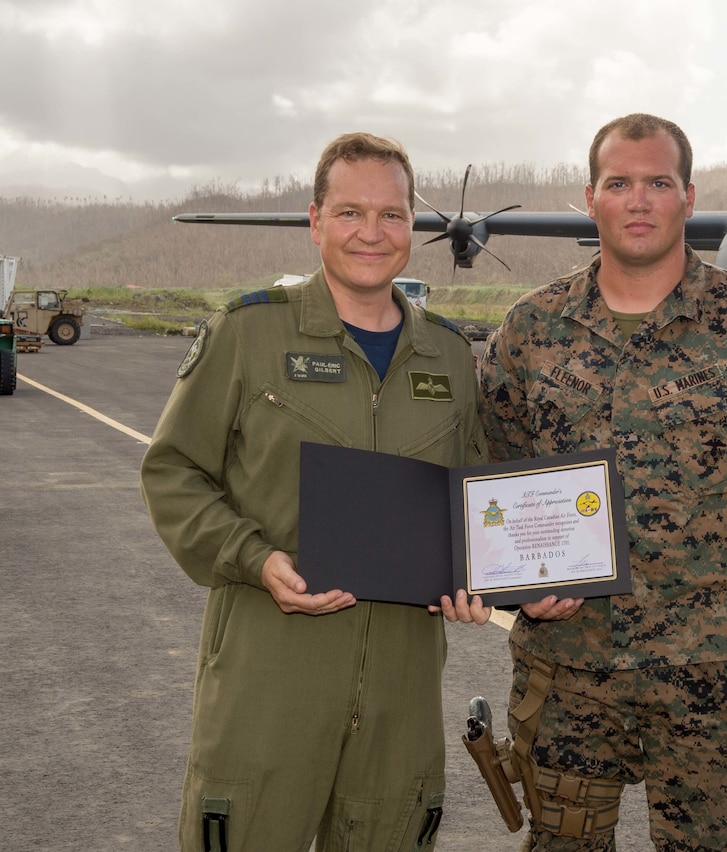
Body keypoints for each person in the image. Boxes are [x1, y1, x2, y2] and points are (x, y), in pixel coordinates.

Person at [479, 113, 727, 851]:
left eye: (657, 183)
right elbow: (496, 470)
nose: (638, 200)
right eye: (619, 183)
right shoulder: (532, 330)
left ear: (688, 197)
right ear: (590, 197)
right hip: (569, 663)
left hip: (713, 668)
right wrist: (522, 582)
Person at [141, 131, 490, 852]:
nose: (372, 233)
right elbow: (173, 472)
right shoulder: (247, 333)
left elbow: (477, 502)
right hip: (268, 678)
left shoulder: (451, 357)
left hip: (402, 692)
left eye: (392, 215)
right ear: (315, 220)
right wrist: (254, 557)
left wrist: (483, 577)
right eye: (350, 213)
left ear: (413, 227)